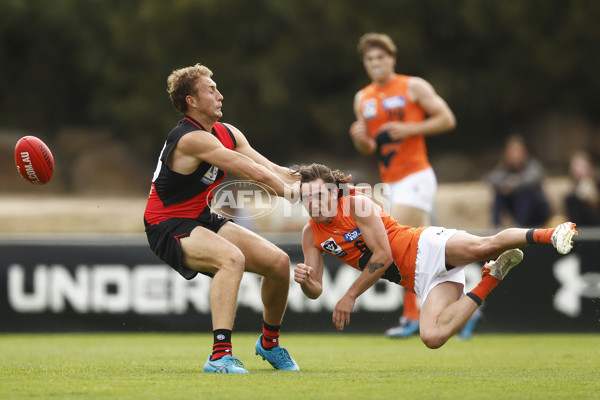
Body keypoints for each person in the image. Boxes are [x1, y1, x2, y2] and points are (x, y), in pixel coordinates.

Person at [292, 163, 577, 349]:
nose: (314, 204)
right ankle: (492, 277)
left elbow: (383, 257)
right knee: (432, 337)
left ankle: (551, 233)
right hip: (421, 281)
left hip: (425, 246)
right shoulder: (311, 234)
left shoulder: (356, 204)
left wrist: (350, 295)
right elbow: (315, 290)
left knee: (484, 247)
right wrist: (305, 280)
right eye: (307, 198)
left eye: (319, 195)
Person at [144, 63, 300, 373]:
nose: (220, 95)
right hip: (166, 224)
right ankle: (219, 356)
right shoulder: (190, 138)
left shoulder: (227, 132)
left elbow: (272, 167)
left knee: (279, 264)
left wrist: (323, 182)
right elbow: (252, 172)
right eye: (211, 90)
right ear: (191, 100)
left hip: (200, 217)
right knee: (231, 259)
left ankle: (269, 344)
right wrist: (291, 195)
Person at [348, 32, 457, 338]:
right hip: (391, 183)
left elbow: (447, 119)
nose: (375, 63)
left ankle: (411, 316)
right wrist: (361, 141)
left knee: (397, 245)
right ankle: (462, 306)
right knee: (425, 249)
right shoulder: (363, 98)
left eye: (381, 57)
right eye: (370, 59)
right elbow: (371, 148)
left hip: (417, 175)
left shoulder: (413, 86)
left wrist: (410, 128)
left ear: (392, 58)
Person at [486, 135, 550, 228]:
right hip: (516, 209)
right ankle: (496, 227)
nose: (514, 155)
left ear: (524, 152)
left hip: (537, 212)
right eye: (511, 152)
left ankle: (520, 227)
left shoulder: (533, 165)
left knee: (524, 192)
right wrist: (506, 184)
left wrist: (514, 183)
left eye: (517, 151)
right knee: (499, 192)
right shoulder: (504, 168)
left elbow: (534, 178)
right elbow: (491, 179)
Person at [565, 151, 600, 226]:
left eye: (582, 166)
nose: (578, 170)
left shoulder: (598, 187)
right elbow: (576, 223)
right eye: (575, 167)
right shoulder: (571, 198)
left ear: (591, 168)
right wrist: (580, 200)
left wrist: (594, 203)